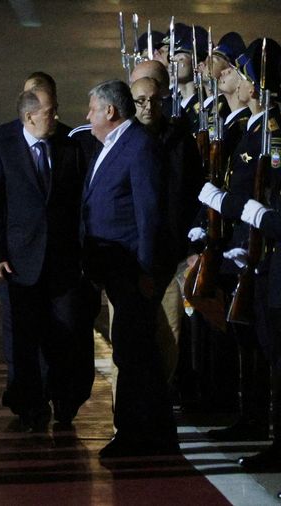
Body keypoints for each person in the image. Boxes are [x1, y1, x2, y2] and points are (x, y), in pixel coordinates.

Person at [0, 87, 94, 431]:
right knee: (24, 340)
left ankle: (64, 401)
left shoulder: (69, 143)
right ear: (30, 116)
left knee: (65, 335)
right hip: (20, 263)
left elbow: (80, 203)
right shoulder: (4, 145)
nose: (56, 116)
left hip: (63, 262)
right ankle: (31, 406)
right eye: (50, 111)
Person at [83, 79, 178, 458]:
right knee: (134, 354)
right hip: (115, 270)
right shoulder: (112, 145)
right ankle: (152, 434)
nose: (87, 116)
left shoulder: (138, 146)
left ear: (110, 111)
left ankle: (137, 435)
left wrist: (145, 271)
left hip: (132, 273)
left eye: (91, 109)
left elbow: (149, 213)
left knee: (135, 355)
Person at [198, 38, 281, 451]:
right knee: (250, 336)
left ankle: (259, 420)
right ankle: (251, 416)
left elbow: (264, 195)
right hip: (245, 246)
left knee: (265, 343)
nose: (239, 80)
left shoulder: (271, 130)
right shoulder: (252, 128)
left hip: (262, 246)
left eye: (245, 76)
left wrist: (232, 207)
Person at [130, 76, 204, 387]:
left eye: (155, 100)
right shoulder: (124, 141)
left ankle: (160, 396)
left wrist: (194, 241)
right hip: (132, 258)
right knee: (131, 336)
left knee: (171, 334)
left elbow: (195, 189)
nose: (149, 107)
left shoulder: (179, 140)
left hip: (172, 255)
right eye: (141, 101)